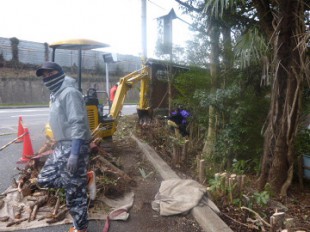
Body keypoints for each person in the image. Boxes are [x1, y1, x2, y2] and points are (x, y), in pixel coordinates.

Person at [35, 61, 95, 232]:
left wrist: (75, 154)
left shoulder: (69, 92)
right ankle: (82, 179)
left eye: (50, 73)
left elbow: (78, 123)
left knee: (74, 194)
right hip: (62, 145)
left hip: (74, 146)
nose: (47, 77)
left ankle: (81, 227)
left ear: (59, 72)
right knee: (44, 179)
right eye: (44, 75)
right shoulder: (57, 93)